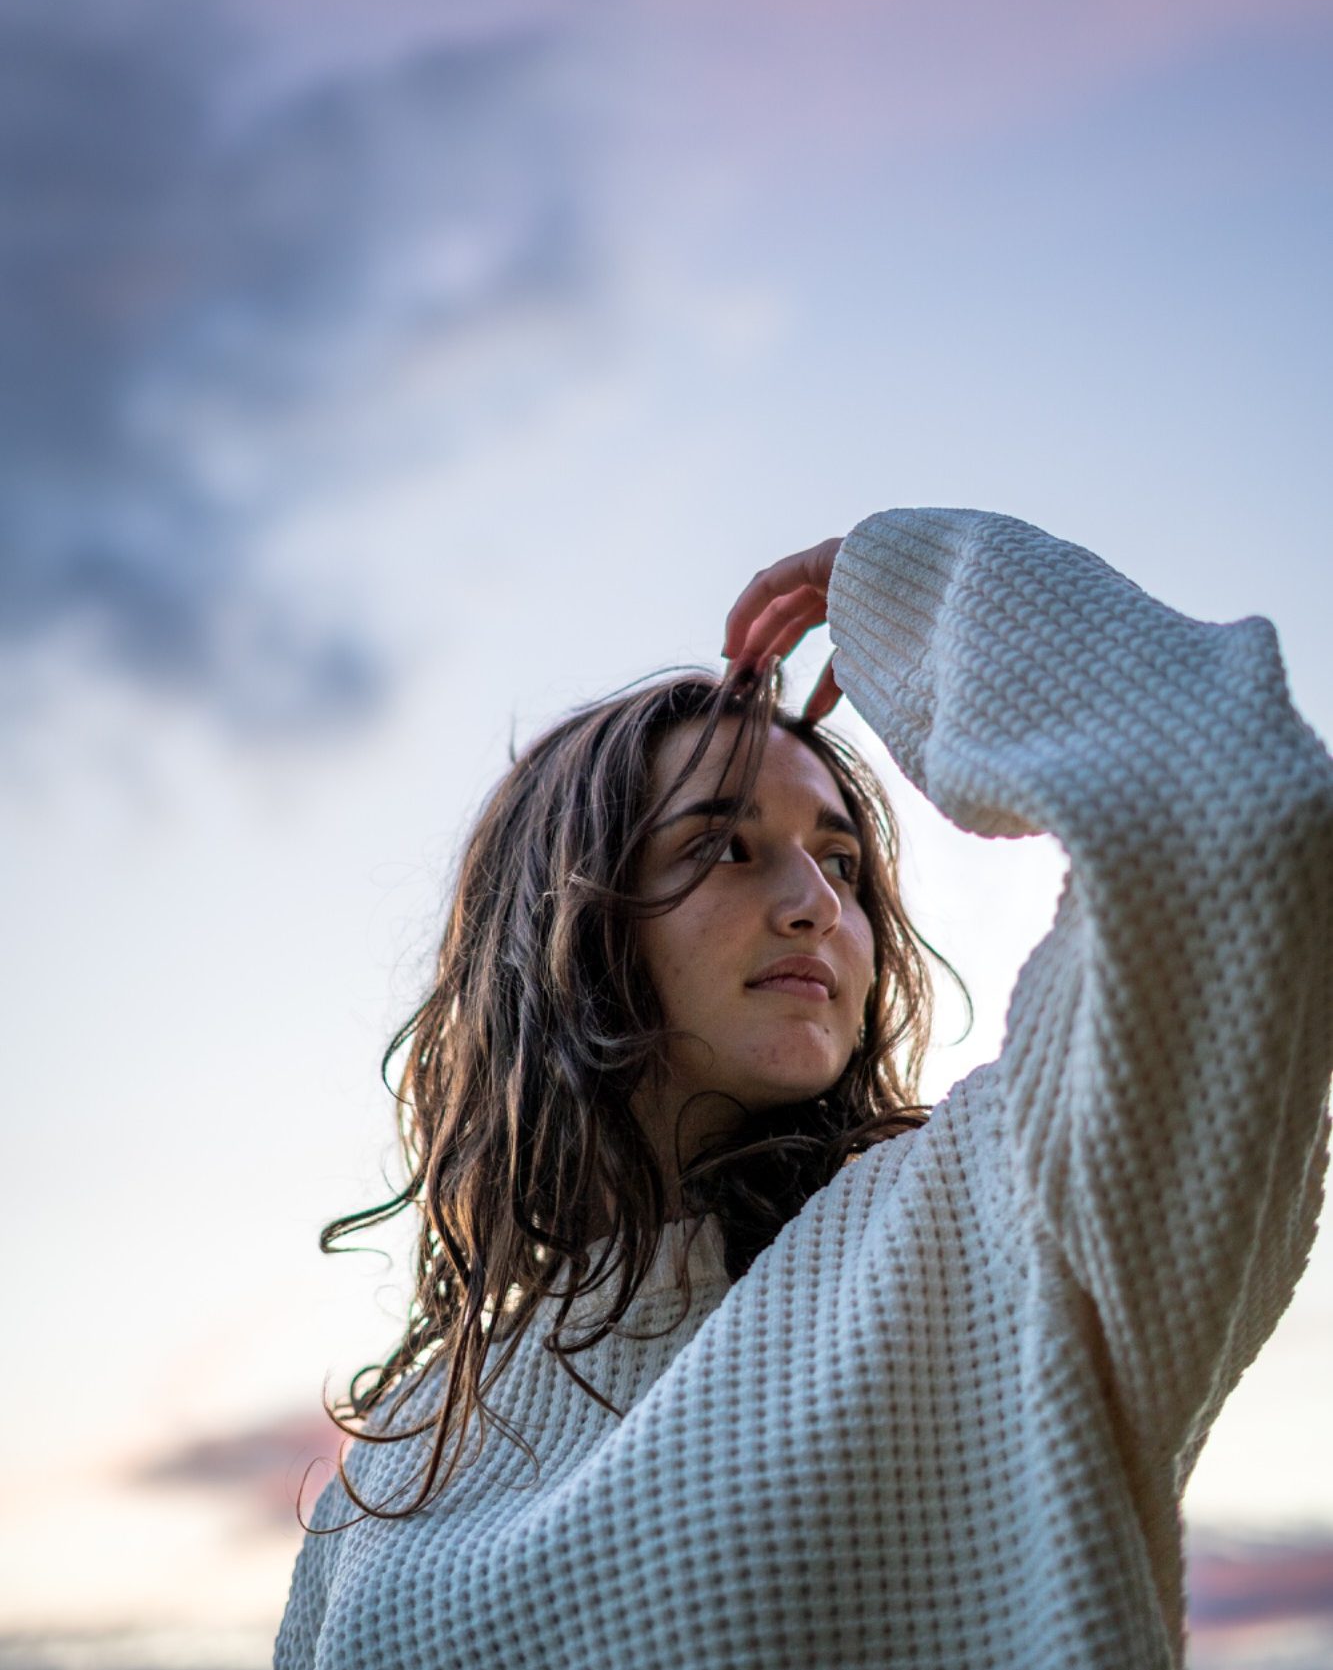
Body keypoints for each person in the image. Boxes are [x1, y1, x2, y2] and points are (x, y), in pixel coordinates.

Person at [274, 506, 1333, 1670]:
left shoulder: (996, 1226)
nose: (818, 906)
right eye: (723, 846)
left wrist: (921, 595)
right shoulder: (385, 1478)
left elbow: (1238, 822)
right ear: (567, 928)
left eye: (839, 861)